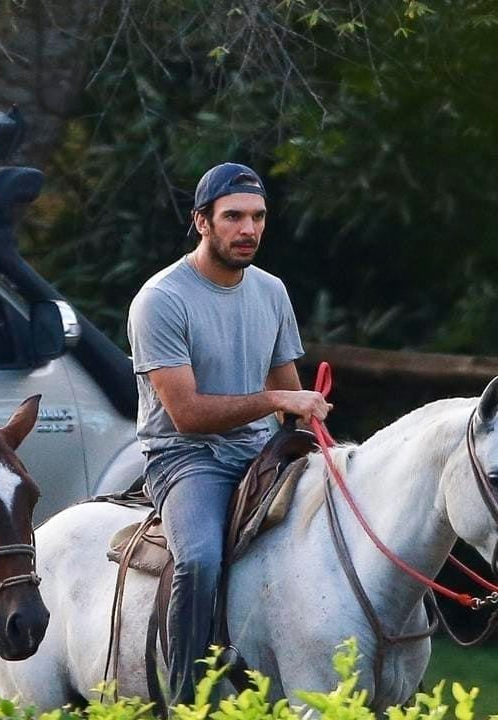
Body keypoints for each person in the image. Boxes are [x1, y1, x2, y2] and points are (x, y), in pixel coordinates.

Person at [126, 162, 330, 704]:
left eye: (258, 218)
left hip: (260, 451)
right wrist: (274, 400)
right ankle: (185, 701)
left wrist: (311, 432)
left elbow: (290, 397)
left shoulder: (271, 291)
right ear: (202, 222)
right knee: (199, 559)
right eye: (233, 217)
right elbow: (187, 415)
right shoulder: (161, 299)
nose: (248, 230)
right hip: (185, 458)